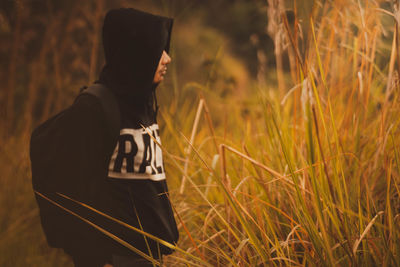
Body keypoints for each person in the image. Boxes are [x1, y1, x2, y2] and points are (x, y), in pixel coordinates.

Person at [62, 8, 179, 267]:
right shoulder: (94, 106)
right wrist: (93, 258)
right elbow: (75, 191)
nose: (167, 58)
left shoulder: (144, 101)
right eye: (159, 49)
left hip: (147, 253)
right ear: (136, 52)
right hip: (113, 257)